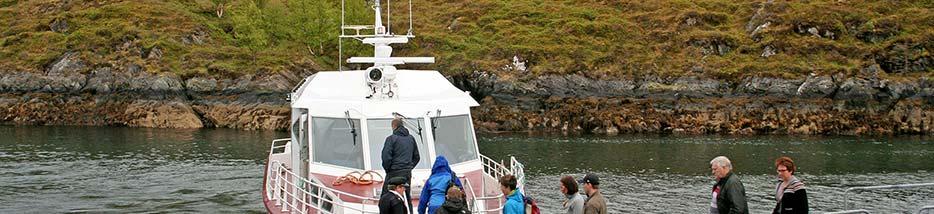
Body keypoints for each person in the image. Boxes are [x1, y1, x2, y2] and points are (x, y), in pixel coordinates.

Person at [382, 118, 420, 212]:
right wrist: (409, 167)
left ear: (394, 126)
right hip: (407, 173)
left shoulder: (391, 139)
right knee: (407, 197)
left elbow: (386, 157)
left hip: (393, 172)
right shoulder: (411, 138)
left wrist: (388, 169)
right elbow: (417, 157)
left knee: (386, 198)